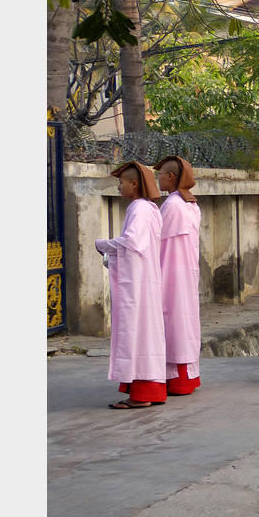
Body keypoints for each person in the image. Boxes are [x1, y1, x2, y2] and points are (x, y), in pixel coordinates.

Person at [96, 161, 166, 408]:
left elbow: (132, 242)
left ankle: (140, 395)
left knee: (135, 333)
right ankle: (150, 391)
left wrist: (102, 244)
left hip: (136, 285)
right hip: (144, 279)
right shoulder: (151, 209)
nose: (118, 187)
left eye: (121, 182)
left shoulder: (138, 207)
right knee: (147, 334)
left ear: (134, 184)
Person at [153, 156, 201, 396]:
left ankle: (174, 378)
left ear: (171, 177)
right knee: (184, 319)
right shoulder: (191, 203)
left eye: (160, 174)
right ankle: (186, 377)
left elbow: (156, 239)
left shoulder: (172, 204)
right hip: (187, 271)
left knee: (171, 320)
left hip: (171, 271)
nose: (157, 179)